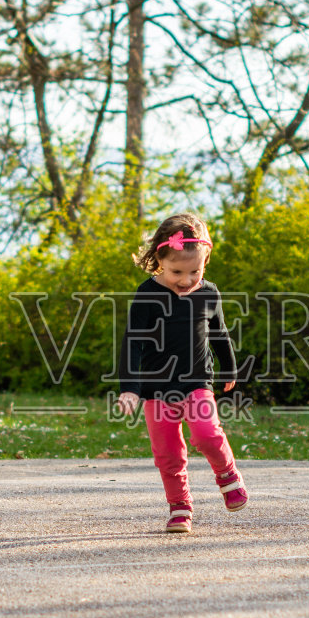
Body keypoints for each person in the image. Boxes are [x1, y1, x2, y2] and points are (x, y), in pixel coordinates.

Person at [117, 213, 247, 533]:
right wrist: (130, 387)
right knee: (167, 454)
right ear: (160, 260)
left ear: (205, 262)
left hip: (196, 382)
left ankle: (227, 475)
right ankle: (180, 506)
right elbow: (133, 342)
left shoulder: (208, 293)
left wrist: (229, 367)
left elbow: (219, 333)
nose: (187, 280)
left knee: (206, 433)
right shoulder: (147, 295)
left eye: (195, 271)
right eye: (177, 272)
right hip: (156, 388)